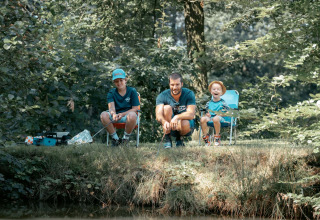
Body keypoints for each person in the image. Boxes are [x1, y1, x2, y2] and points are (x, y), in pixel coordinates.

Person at [100, 69, 140, 146]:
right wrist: (114, 114)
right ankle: (115, 139)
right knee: (103, 115)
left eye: (121, 80)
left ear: (125, 80)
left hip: (128, 117)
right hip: (115, 116)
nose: (119, 83)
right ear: (114, 82)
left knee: (132, 115)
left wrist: (122, 114)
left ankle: (125, 139)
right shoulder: (111, 92)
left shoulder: (132, 91)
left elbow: (135, 108)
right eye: (116, 81)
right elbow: (111, 108)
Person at [155, 73, 196, 148]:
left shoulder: (189, 93)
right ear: (169, 84)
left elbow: (191, 114)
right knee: (166, 108)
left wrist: (177, 117)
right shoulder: (162, 95)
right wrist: (164, 122)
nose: (174, 87)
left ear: (182, 84)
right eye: (172, 85)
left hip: (186, 125)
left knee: (185, 123)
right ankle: (168, 139)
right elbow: (158, 115)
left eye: (177, 84)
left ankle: (179, 139)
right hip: (170, 125)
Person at [200, 81, 230, 147]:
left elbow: (228, 112)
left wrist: (221, 114)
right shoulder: (208, 103)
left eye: (218, 89)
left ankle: (217, 137)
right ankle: (206, 137)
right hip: (210, 118)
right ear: (211, 91)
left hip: (219, 118)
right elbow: (207, 112)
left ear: (221, 93)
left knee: (215, 118)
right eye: (214, 89)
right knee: (202, 119)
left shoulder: (223, 102)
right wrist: (206, 115)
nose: (216, 91)